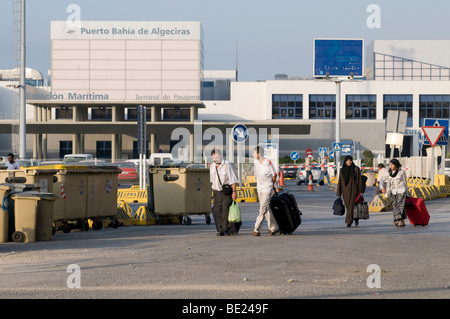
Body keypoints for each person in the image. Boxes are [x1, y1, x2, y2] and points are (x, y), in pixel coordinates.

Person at [209, 148, 239, 236]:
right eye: (213, 157)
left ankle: (226, 229)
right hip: (216, 191)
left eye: (216, 156)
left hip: (227, 191)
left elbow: (233, 179)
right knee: (216, 210)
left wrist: (234, 191)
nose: (215, 159)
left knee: (225, 210)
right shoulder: (212, 166)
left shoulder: (227, 165)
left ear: (220, 156)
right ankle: (220, 229)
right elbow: (212, 181)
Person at [252, 146, 279, 236]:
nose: (253, 154)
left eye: (254, 153)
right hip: (260, 188)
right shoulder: (256, 163)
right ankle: (274, 228)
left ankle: (256, 229)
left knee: (262, 209)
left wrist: (271, 184)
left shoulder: (268, 162)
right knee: (266, 208)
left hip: (267, 188)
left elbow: (274, 175)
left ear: (259, 154)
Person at [336, 155, 363, 227]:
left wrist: (360, 191)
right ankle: (355, 218)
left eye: (350, 160)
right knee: (348, 206)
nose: (349, 162)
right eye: (347, 160)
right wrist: (339, 193)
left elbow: (359, 180)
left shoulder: (356, 169)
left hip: (354, 190)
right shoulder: (342, 170)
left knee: (351, 205)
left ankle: (348, 221)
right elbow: (340, 182)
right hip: (345, 191)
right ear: (345, 161)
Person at [386, 159, 408, 227]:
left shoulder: (401, 172)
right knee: (395, 206)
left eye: (392, 164)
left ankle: (396, 221)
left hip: (401, 191)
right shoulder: (389, 172)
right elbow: (388, 183)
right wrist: (387, 192)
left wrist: (407, 192)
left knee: (399, 206)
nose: (391, 166)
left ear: (396, 165)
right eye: (390, 164)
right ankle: (402, 221)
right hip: (393, 191)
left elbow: (405, 182)